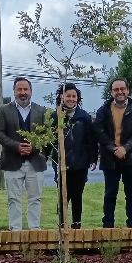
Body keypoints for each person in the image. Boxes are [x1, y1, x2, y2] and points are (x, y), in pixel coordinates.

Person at [0, 77, 48, 231]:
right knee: (13, 199)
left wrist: (34, 148)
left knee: (35, 199)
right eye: (19, 89)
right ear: (14, 91)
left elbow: (47, 136)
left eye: (25, 89)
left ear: (31, 91)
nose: (22, 93)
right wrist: (16, 146)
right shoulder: (4, 110)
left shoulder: (41, 111)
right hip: (12, 161)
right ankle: (15, 230)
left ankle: (34, 230)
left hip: (35, 162)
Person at [93, 78, 132, 228]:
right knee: (110, 194)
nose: (120, 92)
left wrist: (126, 148)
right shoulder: (103, 110)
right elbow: (99, 132)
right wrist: (113, 148)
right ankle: (108, 226)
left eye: (122, 89)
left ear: (128, 90)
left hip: (131, 158)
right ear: (111, 92)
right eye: (116, 89)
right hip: (110, 159)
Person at [46, 83, 96, 229]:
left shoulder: (84, 117)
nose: (71, 99)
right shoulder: (55, 116)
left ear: (78, 98)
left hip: (80, 163)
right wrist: (45, 156)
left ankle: (76, 224)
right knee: (63, 195)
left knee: (77, 195)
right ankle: (62, 226)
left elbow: (91, 140)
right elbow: (50, 140)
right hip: (61, 162)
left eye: (74, 96)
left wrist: (93, 158)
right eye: (68, 95)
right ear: (61, 96)